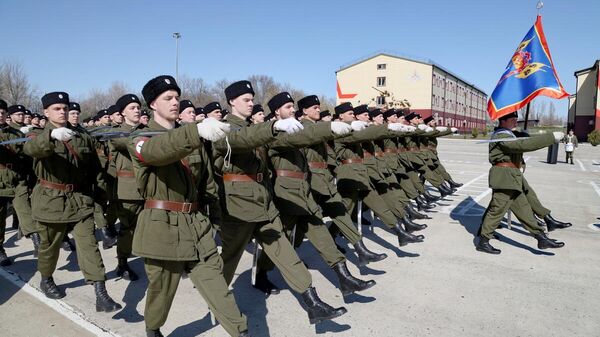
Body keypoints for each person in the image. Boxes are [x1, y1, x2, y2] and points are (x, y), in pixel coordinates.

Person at [213, 80, 347, 324]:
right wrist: (273, 126)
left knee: (286, 253)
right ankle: (216, 299)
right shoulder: (224, 129)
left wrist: (330, 127)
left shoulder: (256, 128)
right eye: (245, 99)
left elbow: (299, 136)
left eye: (252, 98)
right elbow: (243, 139)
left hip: (264, 203)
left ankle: (312, 302)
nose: (251, 102)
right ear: (231, 102)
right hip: (238, 207)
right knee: (229, 259)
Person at [129, 76, 250, 337]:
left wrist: (216, 220)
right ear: (152, 104)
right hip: (161, 227)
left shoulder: (194, 138)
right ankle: (153, 330)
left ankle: (240, 331)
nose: (174, 102)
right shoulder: (140, 138)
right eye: (167, 98)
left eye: (176, 97)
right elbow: (158, 151)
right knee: (161, 293)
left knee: (219, 289)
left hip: (196, 226)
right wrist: (194, 131)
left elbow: (207, 184)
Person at [24, 91, 122, 312]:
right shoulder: (36, 135)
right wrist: (50, 137)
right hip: (51, 201)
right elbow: (32, 149)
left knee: (89, 246)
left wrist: (103, 194)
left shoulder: (81, 135)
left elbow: (95, 168)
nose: (62, 112)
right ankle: (47, 278)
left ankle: (101, 293)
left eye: (65, 108)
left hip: (80, 200)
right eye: (57, 108)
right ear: (46, 112)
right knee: (49, 247)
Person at [476, 111, 565, 254]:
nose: (515, 122)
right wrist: (550, 138)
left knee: (524, 209)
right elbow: (521, 146)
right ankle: (483, 241)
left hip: (511, 177)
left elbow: (518, 147)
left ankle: (541, 238)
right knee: (497, 210)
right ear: (503, 121)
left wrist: (521, 163)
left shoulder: (508, 134)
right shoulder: (501, 135)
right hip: (504, 178)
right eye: (512, 119)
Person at [110, 94, 148, 281]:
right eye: (132, 107)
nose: (137, 110)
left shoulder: (147, 129)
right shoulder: (116, 132)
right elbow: (126, 143)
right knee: (128, 228)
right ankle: (122, 263)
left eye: (138, 107)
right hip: (128, 189)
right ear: (122, 112)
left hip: (149, 187)